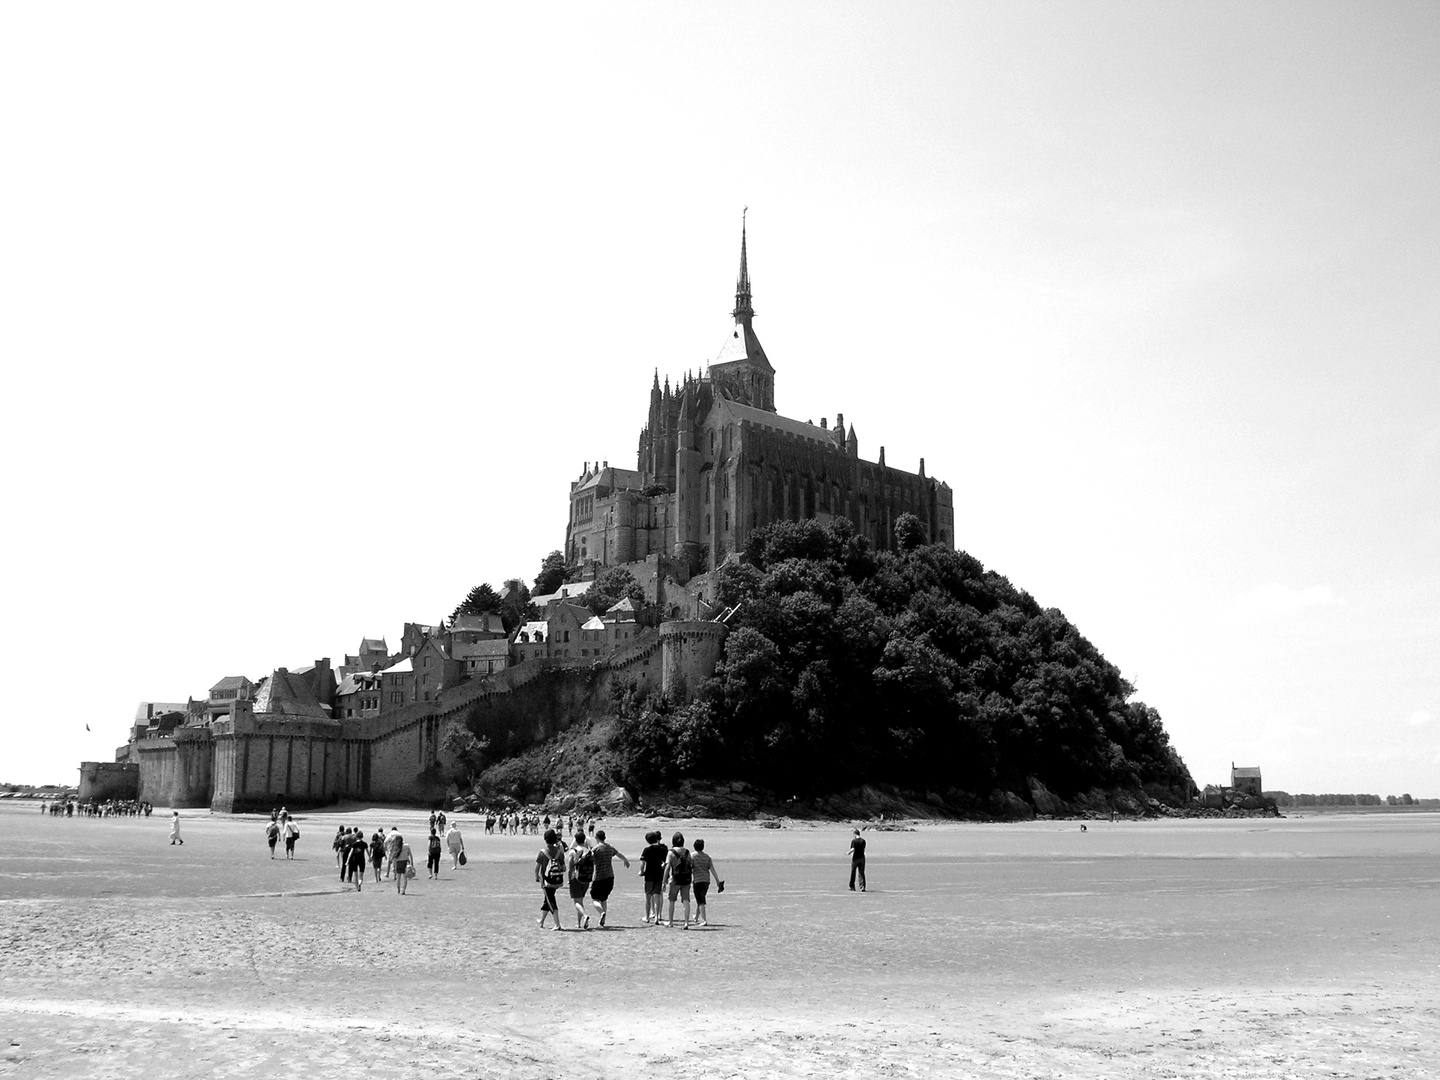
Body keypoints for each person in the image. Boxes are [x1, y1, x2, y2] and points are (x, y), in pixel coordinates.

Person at [587, 829, 630, 927]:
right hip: (610, 877)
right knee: (604, 898)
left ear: (597, 838)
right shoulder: (610, 847)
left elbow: (589, 858)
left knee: (595, 898)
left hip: (599, 877)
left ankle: (601, 912)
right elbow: (619, 854)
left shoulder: (596, 849)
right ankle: (603, 920)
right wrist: (625, 860)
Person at [535, 829, 566, 930]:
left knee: (551, 901)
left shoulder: (542, 852)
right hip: (557, 880)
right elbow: (564, 868)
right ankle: (541, 920)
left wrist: (537, 877)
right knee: (547, 899)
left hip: (547, 881)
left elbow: (537, 868)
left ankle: (557, 924)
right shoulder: (559, 853)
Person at [664, 832, 694, 928]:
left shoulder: (671, 852)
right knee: (686, 900)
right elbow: (691, 865)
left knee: (672, 901)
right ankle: (686, 922)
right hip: (686, 879)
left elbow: (667, 867)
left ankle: (671, 922)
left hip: (675, 879)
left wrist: (664, 881)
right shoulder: (687, 852)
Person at [566, 831, 594, 930]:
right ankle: (579, 923)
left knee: (576, 902)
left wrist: (569, 880)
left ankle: (585, 916)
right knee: (580, 900)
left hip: (576, 878)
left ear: (576, 840)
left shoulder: (574, 851)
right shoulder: (588, 851)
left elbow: (570, 868)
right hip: (586, 879)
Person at [639, 830, 668, 925]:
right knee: (657, 897)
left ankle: (647, 917)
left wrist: (641, 871)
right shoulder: (663, 849)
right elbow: (665, 862)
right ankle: (657, 917)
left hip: (649, 876)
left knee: (648, 897)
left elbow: (643, 863)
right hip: (659, 875)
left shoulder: (647, 850)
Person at [690, 837, 720, 927]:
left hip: (697, 880)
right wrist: (717, 881)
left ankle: (704, 920)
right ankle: (696, 917)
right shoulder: (707, 857)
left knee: (701, 901)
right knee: (700, 899)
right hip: (706, 880)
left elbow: (690, 868)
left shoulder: (692, 856)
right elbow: (712, 869)